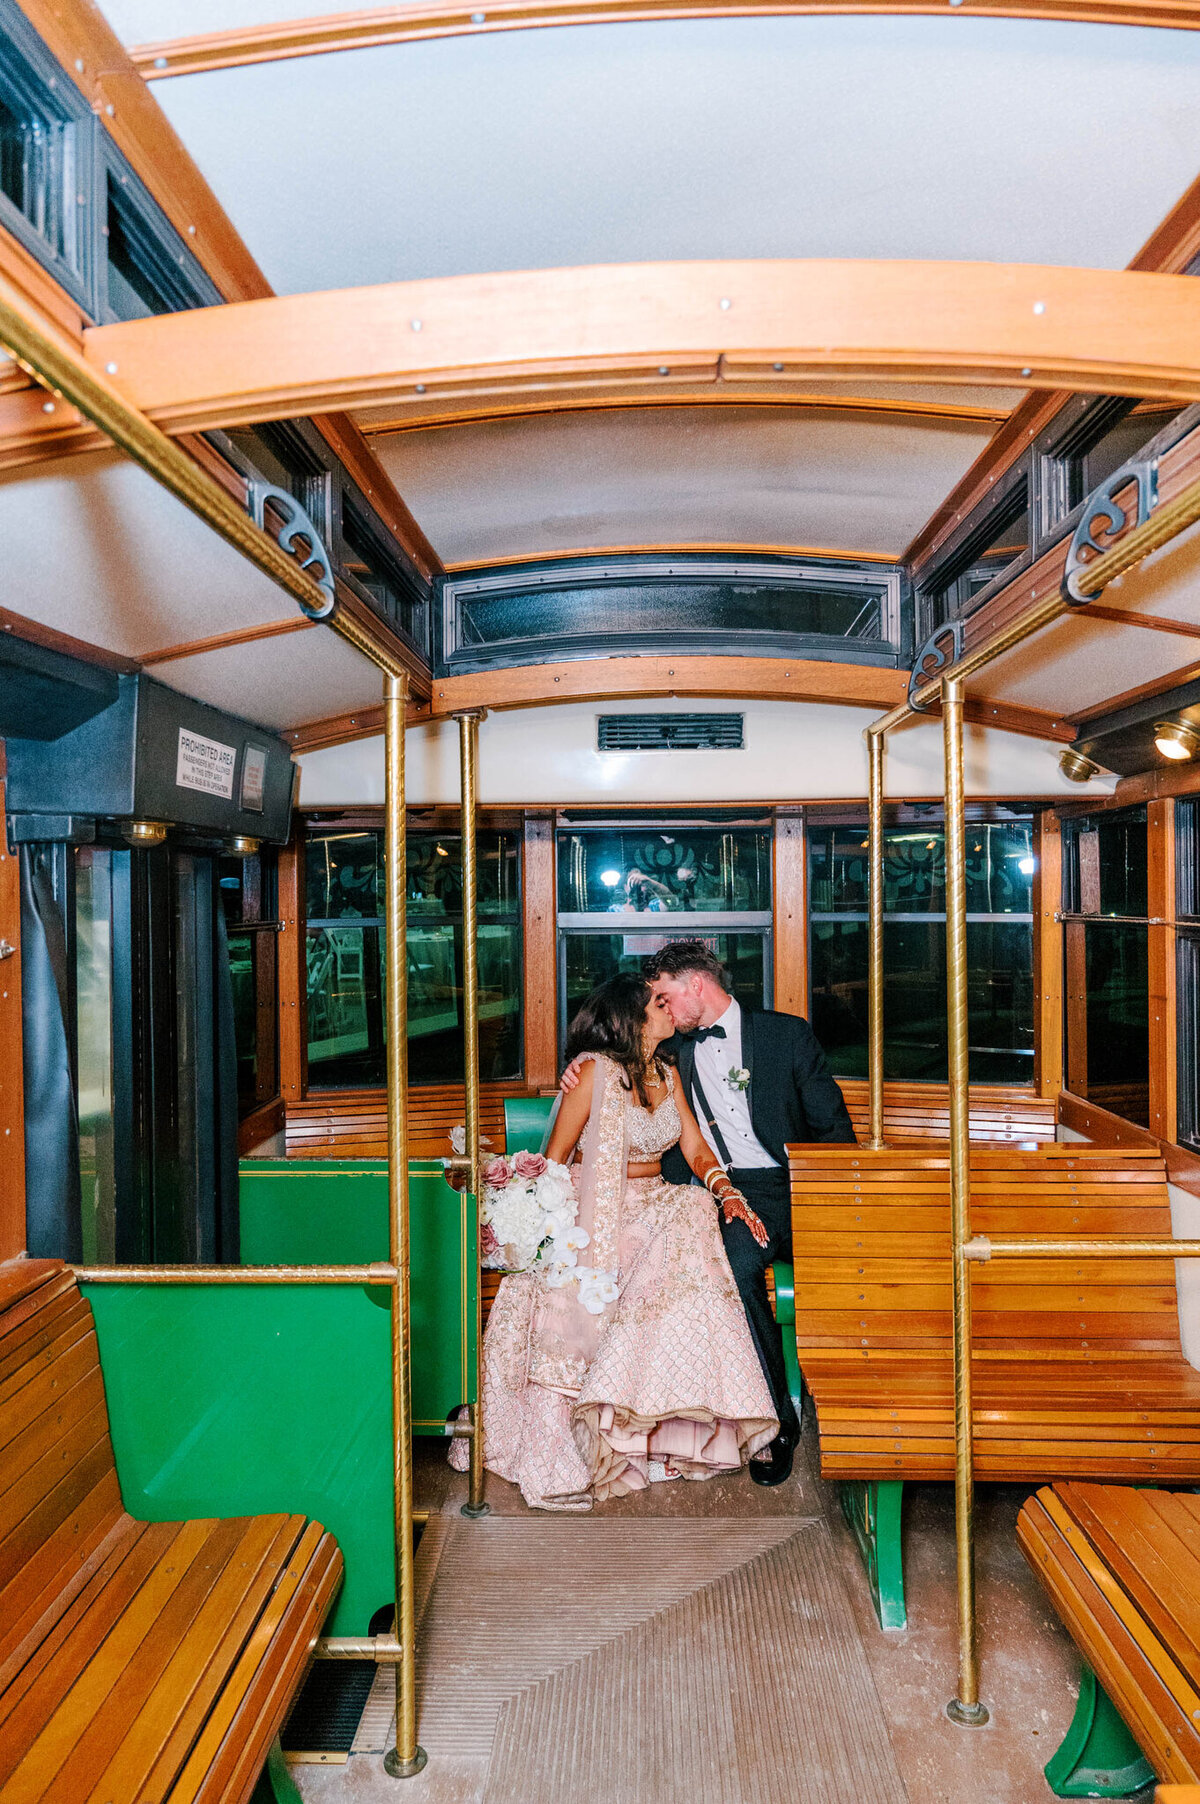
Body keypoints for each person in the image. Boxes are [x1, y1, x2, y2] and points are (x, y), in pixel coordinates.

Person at [450, 973, 777, 1511]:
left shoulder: (668, 1071)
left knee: (691, 1215)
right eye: (657, 1002)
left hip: (656, 1200)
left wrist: (725, 1192)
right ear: (632, 1017)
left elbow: (694, 1148)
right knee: (636, 1256)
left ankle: (660, 1420)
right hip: (594, 1206)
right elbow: (553, 1164)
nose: (668, 1006)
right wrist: (548, 1232)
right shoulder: (592, 1075)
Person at [563, 942, 856, 1485]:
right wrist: (582, 1061)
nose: (665, 1011)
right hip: (711, 1189)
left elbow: (833, 1129)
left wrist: (836, 1208)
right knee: (730, 1266)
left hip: (792, 1184)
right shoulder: (674, 1053)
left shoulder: (785, 1035)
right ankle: (773, 1422)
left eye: (667, 996)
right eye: (657, 1005)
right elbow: (621, 1073)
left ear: (695, 984)